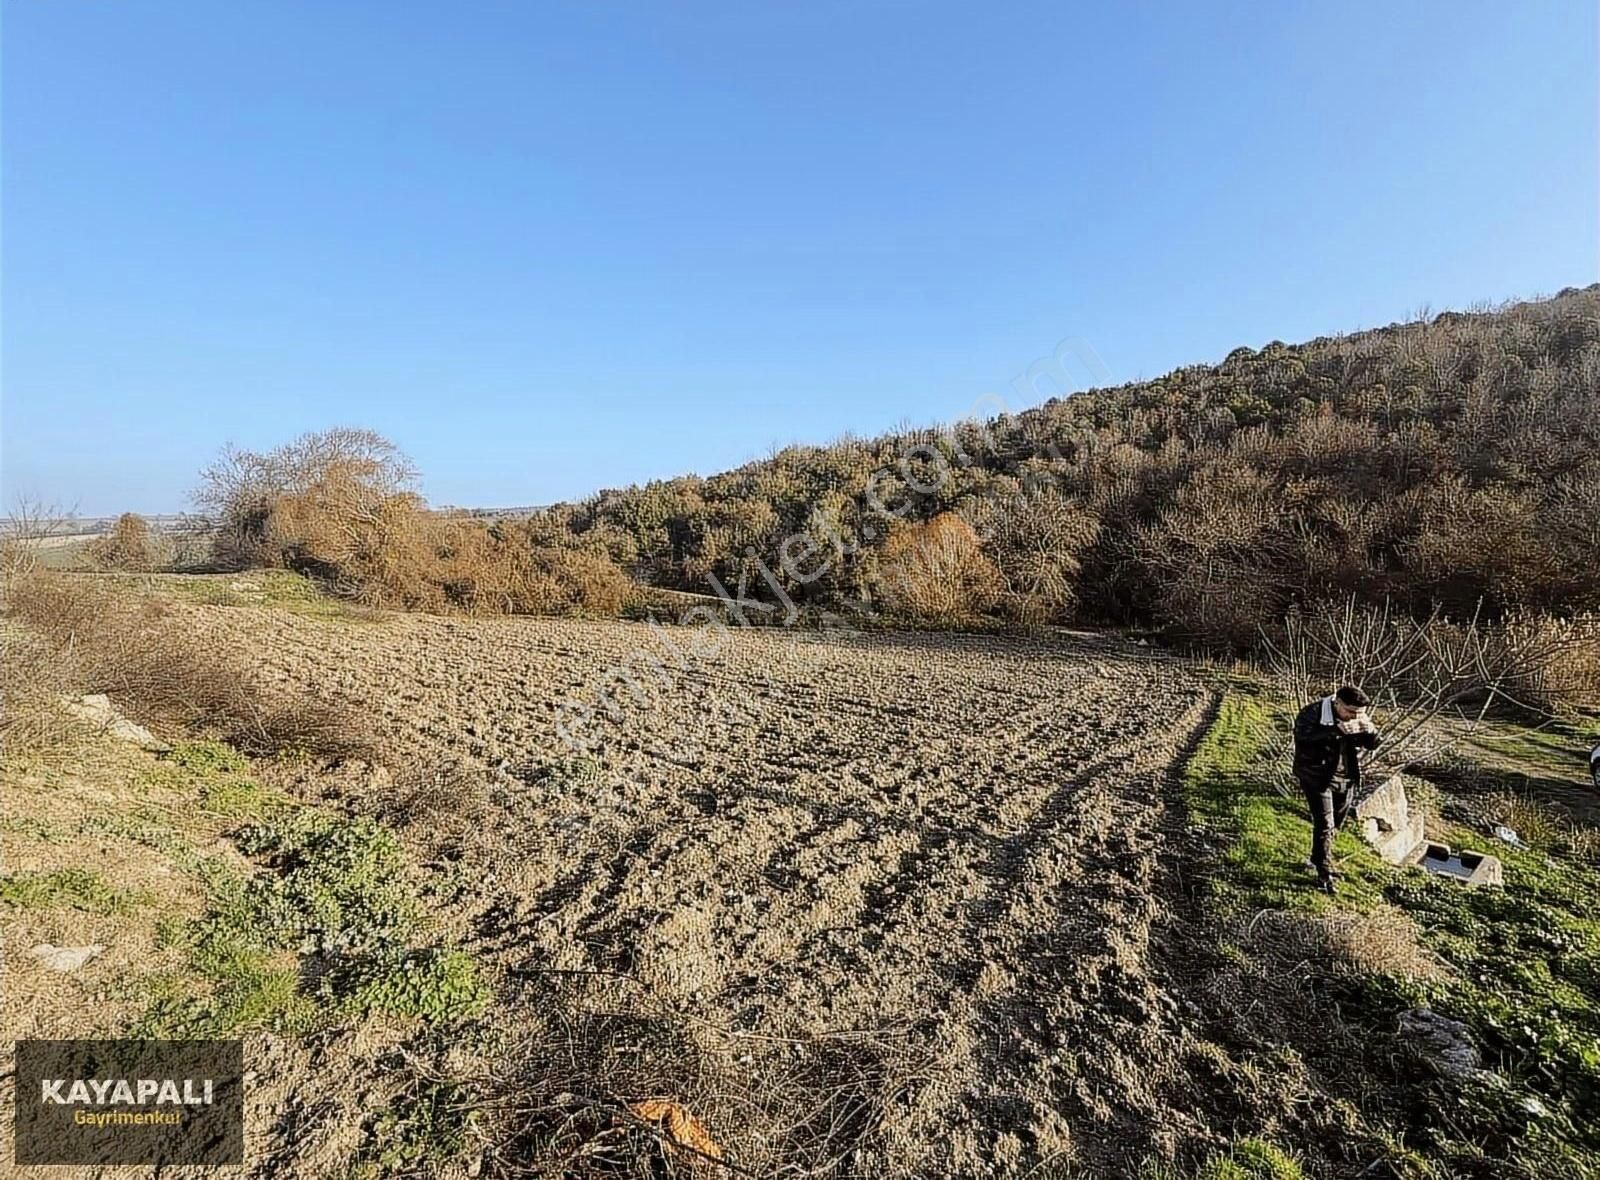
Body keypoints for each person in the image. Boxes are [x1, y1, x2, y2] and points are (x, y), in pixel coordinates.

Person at [1292, 684, 1381, 894]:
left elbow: (1374, 744)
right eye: (1350, 712)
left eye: (1359, 713)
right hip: (1316, 776)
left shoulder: (1357, 718)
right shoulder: (1312, 712)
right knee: (1325, 823)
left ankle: (1316, 860)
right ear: (1337, 702)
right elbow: (1303, 737)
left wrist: (1371, 732)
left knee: (1335, 825)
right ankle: (1324, 873)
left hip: (1346, 777)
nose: (1354, 717)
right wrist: (1336, 730)